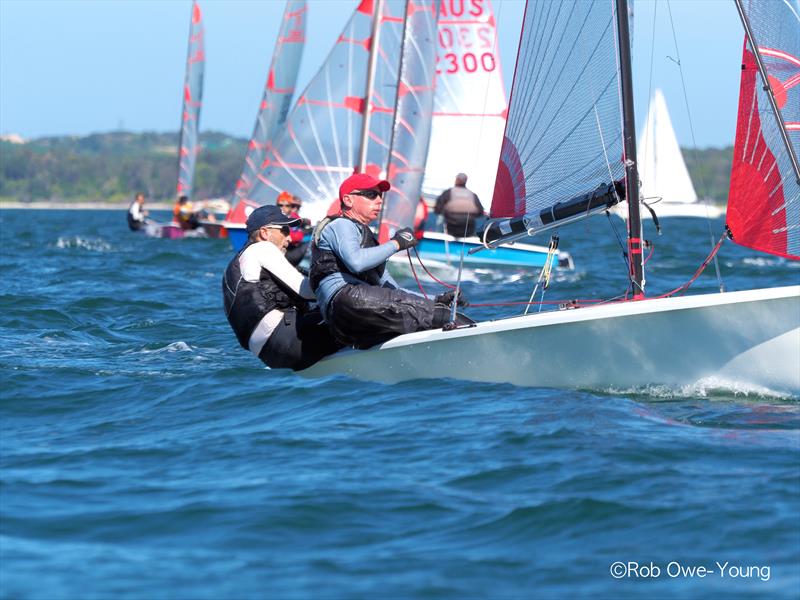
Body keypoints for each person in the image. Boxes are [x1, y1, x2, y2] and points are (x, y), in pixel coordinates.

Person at [309, 172, 471, 350]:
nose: (379, 200)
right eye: (371, 195)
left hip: (348, 315)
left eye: (380, 195)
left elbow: (392, 288)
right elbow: (356, 262)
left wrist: (437, 299)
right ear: (348, 200)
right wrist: (396, 243)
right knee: (446, 317)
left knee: (429, 318)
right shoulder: (341, 225)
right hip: (347, 301)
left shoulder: (364, 236)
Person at [222, 205, 340, 371]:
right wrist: (344, 284)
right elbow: (305, 291)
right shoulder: (262, 248)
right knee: (352, 313)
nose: (289, 238)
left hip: (269, 354)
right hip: (286, 339)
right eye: (284, 230)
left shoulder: (237, 263)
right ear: (265, 233)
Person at [434, 172, 485, 237]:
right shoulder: (472, 195)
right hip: (468, 230)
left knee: (440, 219)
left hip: (450, 228)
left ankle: (438, 239)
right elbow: (480, 212)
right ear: (466, 181)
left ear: (456, 180)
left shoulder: (448, 192)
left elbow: (437, 209)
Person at [276, 191, 311, 266]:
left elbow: (300, 221)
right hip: (283, 255)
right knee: (311, 244)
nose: (283, 208)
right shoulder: (276, 219)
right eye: (280, 205)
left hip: (292, 250)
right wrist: (304, 232)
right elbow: (292, 237)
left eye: (287, 206)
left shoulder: (292, 216)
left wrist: (305, 222)